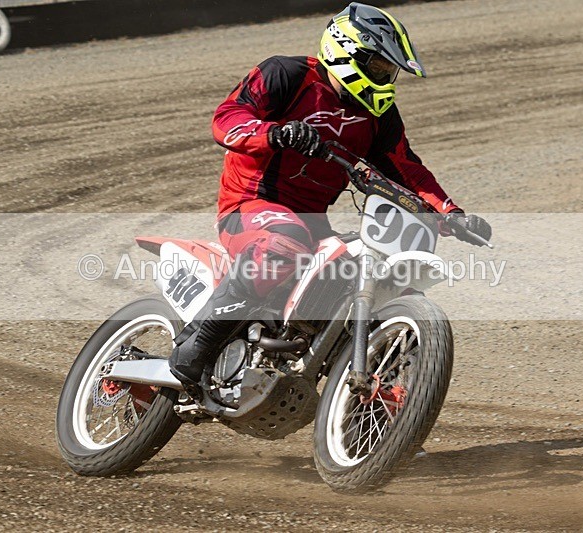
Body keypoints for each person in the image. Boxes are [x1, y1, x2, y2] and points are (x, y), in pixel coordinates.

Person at [168, 2, 492, 396]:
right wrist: (275, 133)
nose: (386, 79)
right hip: (250, 203)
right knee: (284, 242)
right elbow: (227, 117)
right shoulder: (286, 74)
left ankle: (383, 420)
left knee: (359, 272)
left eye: (390, 72)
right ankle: (196, 347)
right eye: (379, 68)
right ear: (345, 51)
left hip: (311, 219)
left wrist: (450, 213)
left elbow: (406, 169)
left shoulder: (380, 116)